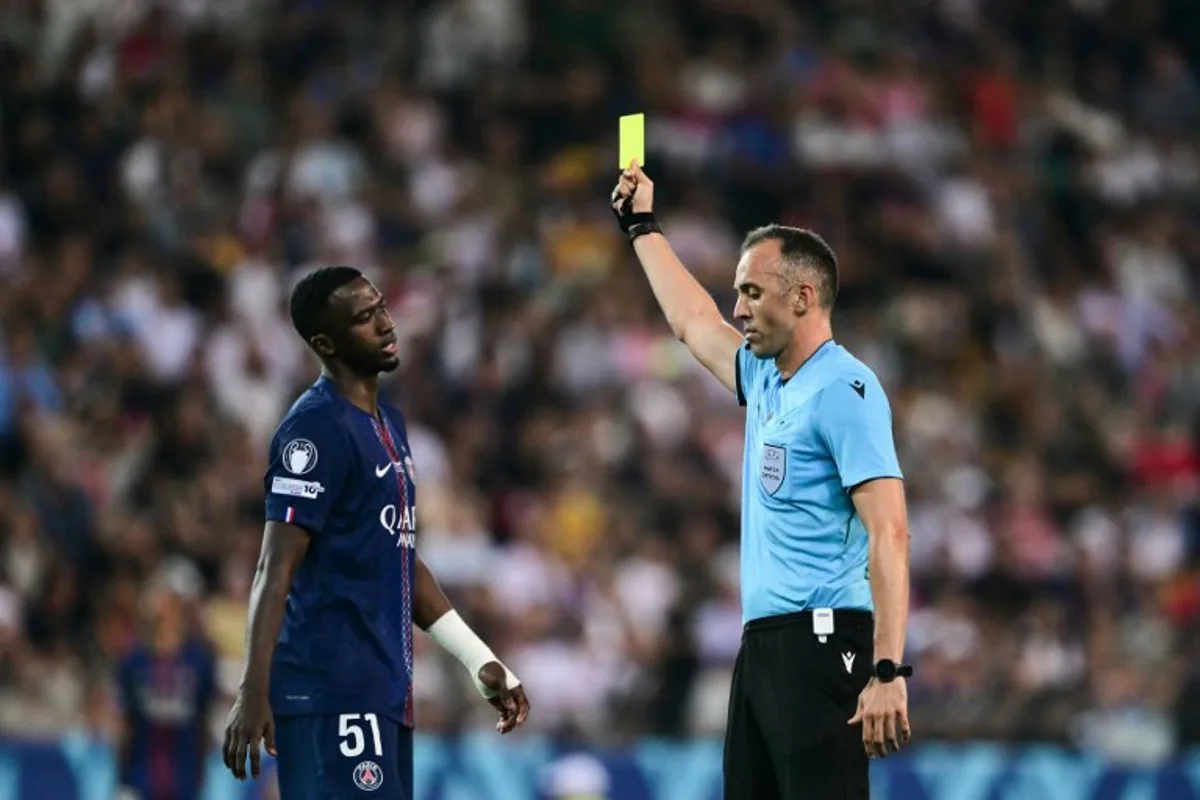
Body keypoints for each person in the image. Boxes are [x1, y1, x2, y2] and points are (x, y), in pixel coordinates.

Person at [610, 163, 912, 799]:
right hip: (765, 646)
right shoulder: (770, 379)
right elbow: (693, 324)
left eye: (751, 293)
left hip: (826, 643)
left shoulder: (846, 390)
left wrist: (888, 669)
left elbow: (889, 531)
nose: (737, 308)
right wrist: (642, 227)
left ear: (801, 297)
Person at [221, 266, 530, 799]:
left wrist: (480, 657)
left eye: (382, 307)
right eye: (364, 318)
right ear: (326, 342)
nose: (387, 324)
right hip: (330, 690)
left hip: (383, 691)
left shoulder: (390, 425)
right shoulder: (314, 428)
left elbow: (399, 558)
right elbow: (275, 566)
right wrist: (254, 689)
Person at [115, 559, 216, 800]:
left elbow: (203, 720)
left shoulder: (200, 661)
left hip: (184, 780)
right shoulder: (133, 660)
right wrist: (122, 777)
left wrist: (200, 775)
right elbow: (126, 723)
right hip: (141, 778)